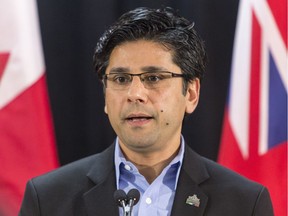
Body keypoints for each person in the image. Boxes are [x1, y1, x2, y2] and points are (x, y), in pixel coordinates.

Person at [19, 7, 274, 216]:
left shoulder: (245, 203)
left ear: (191, 93)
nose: (135, 94)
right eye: (120, 79)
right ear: (105, 96)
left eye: (153, 77)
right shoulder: (48, 198)